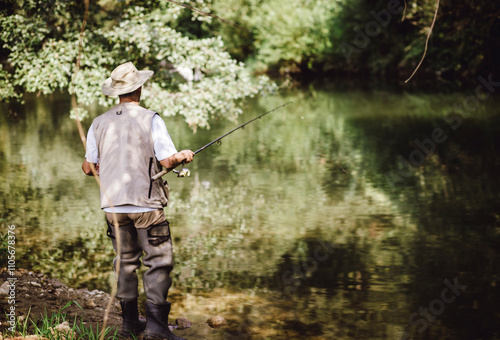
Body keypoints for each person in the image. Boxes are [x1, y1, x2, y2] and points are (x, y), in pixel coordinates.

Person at [82, 61, 194, 340]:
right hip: (146, 205)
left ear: (117, 92)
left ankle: (130, 324)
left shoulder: (98, 123)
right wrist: (184, 155)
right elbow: (168, 160)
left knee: (126, 261)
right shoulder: (151, 118)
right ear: (139, 88)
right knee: (158, 260)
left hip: (112, 207)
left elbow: (87, 167)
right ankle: (156, 328)